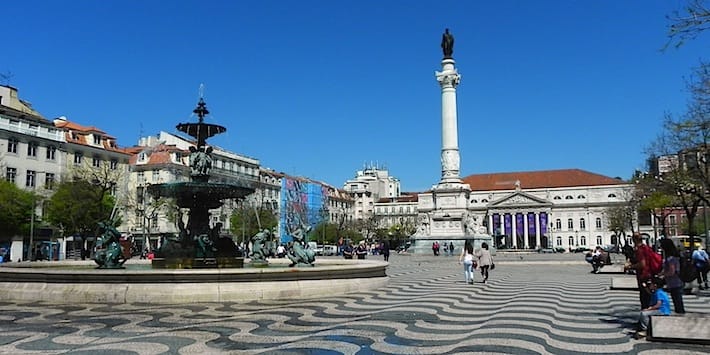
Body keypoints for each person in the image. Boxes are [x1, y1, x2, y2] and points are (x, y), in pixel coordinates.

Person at [625, 232, 655, 309]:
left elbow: (642, 264)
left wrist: (630, 267)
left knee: (644, 298)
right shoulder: (647, 248)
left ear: (634, 240)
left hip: (643, 275)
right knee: (648, 297)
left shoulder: (640, 250)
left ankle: (645, 318)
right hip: (650, 274)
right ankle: (646, 317)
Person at [659, 239, 685, 314]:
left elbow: (672, 271)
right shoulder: (672, 257)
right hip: (674, 283)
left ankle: (681, 317)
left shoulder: (671, 258)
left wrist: (663, 275)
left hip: (675, 283)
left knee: (678, 303)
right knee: (677, 302)